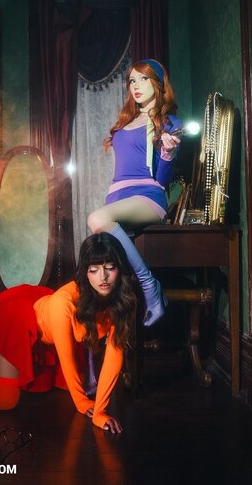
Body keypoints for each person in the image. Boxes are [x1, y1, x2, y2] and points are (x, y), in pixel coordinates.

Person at [0, 233, 138, 434]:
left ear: (120, 268)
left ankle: (0, 364)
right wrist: (82, 402)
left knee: (71, 384)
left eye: (110, 267)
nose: (103, 277)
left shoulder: (124, 299)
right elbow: (67, 358)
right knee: (5, 399)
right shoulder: (63, 303)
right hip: (18, 318)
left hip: (45, 318)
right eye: (93, 270)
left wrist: (100, 412)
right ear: (85, 272)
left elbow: (114, 353)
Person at [88, 59, 182, 326]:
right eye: (132, 80)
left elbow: (161, 180)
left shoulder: (168, 121)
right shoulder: (127, 120)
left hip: (148, 197)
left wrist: (168, 152)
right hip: (117, 198)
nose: (136, 86)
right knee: (102, 268)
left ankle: (150, 286)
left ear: (158, 83)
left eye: (143, 79)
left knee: (96, 219)